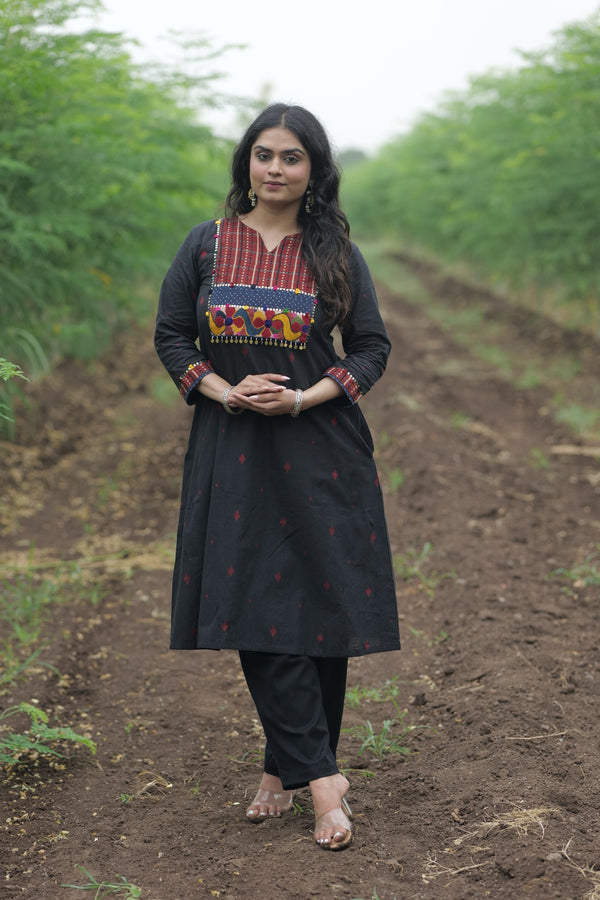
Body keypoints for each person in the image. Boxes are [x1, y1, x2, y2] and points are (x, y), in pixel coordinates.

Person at [154, 103, 400, 850]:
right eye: (264, 154)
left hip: (320, 445)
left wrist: (301, 397)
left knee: (320, 613)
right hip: (230, 449)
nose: (275, 168)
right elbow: (170, 334)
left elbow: (369, 349)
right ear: (246, 163)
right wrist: (218, 388)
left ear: (314, 171)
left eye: (292, 157)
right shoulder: (206, 246)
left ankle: (282, 770)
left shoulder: (333, 253)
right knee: (255, 604)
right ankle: (325, 782)